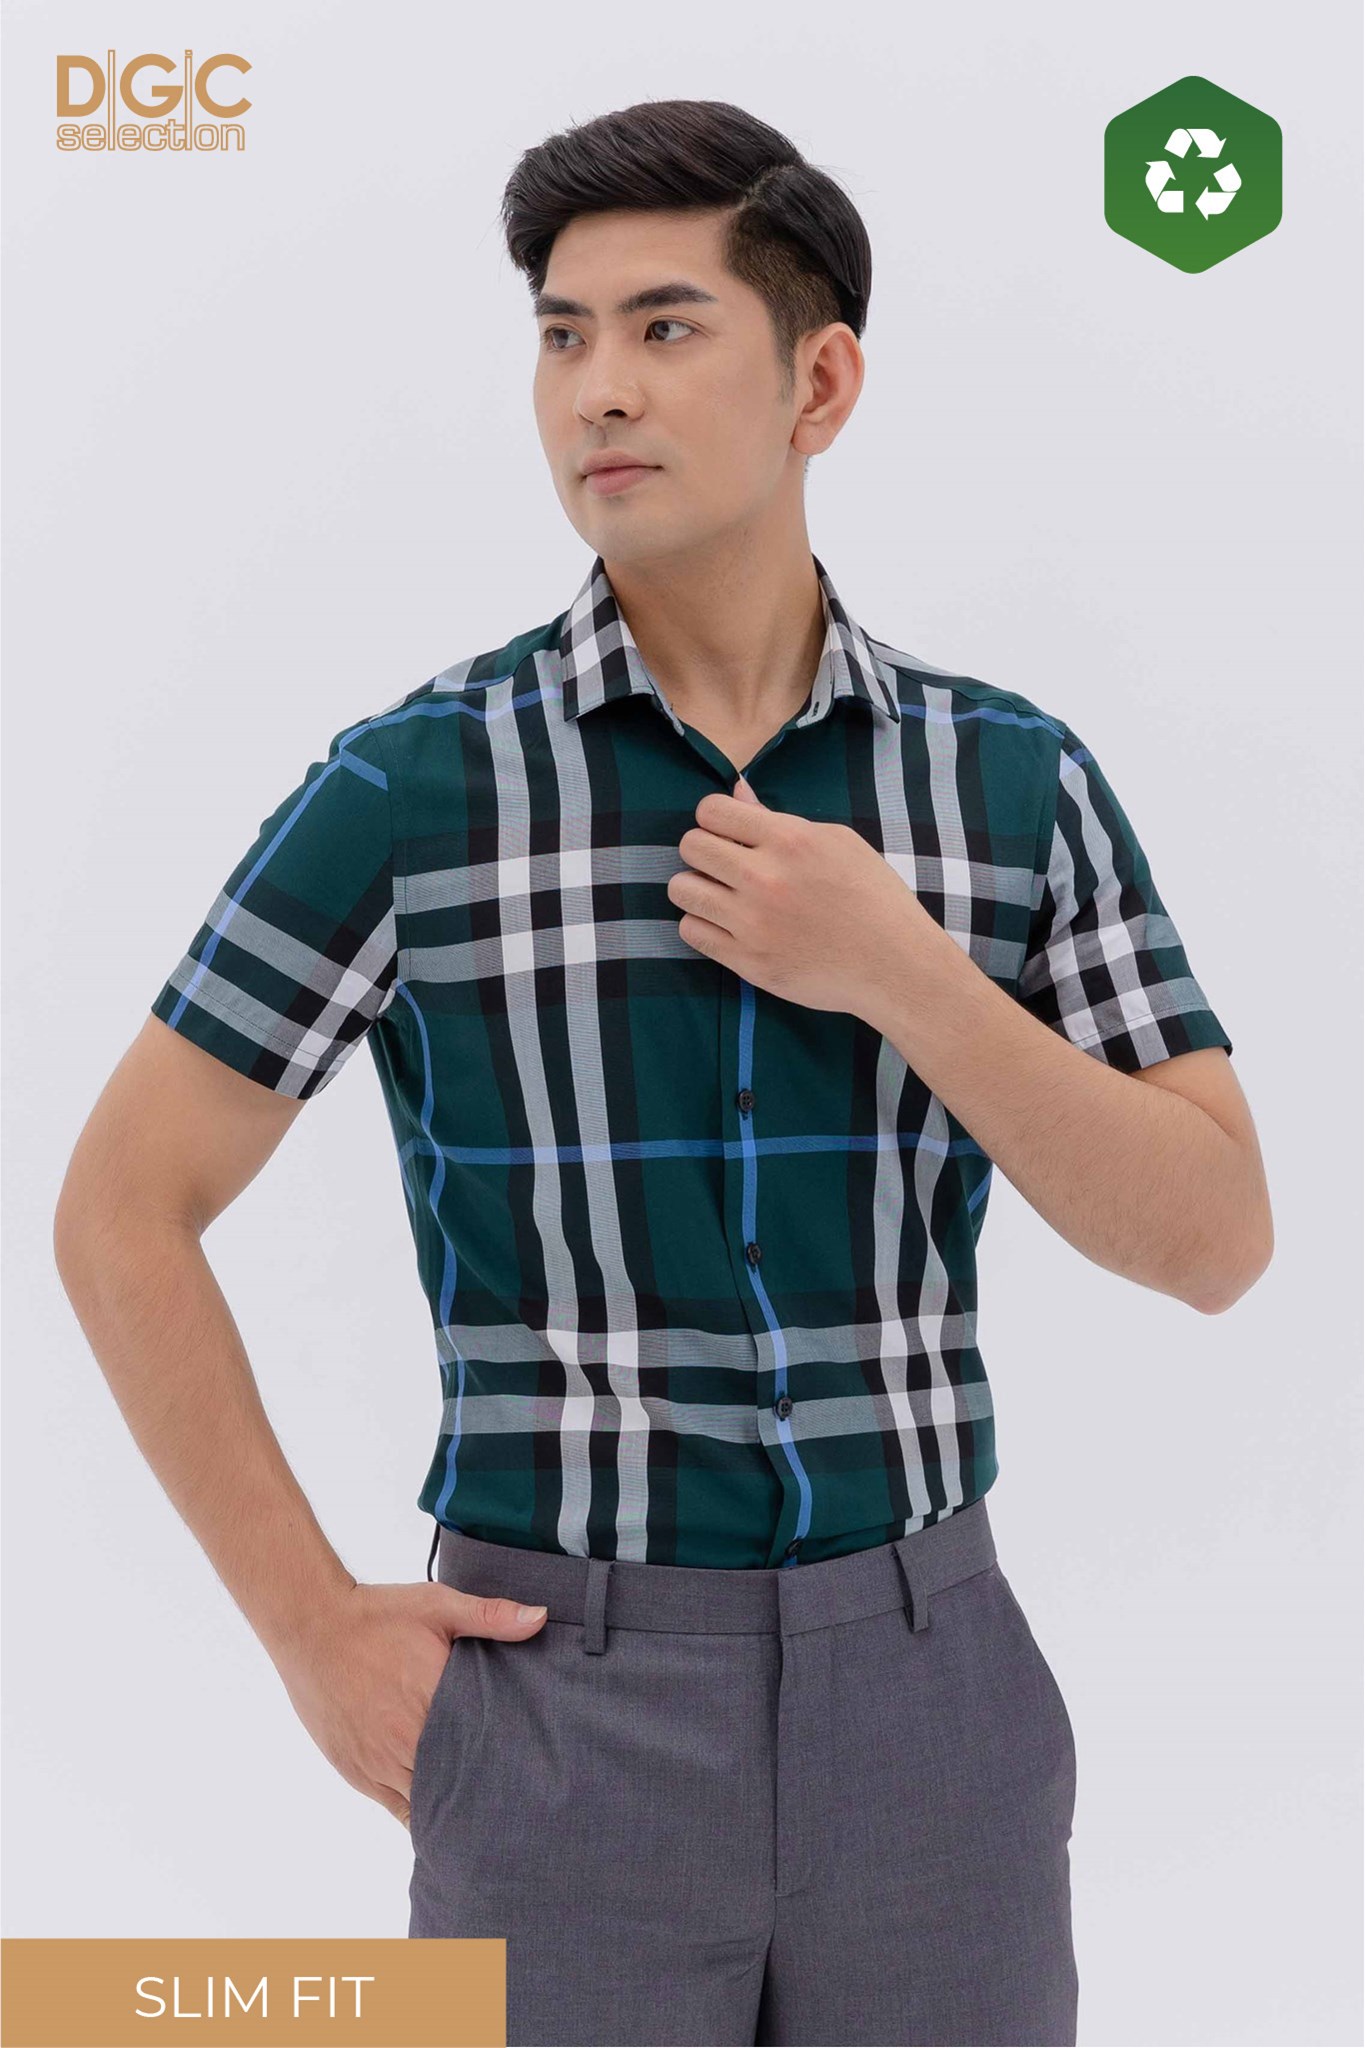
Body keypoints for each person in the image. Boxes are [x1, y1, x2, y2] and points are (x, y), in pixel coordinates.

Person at [53, 97, 1273, 2048]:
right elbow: (124, 1208)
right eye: (561, 334)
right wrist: (308, 1628)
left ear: (819, 383)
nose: (596, 389)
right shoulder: (417, 788)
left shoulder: (1007, 781)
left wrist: (902, 973)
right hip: (560, 1711)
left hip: (933, 1699)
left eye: (663, 326)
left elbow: (1213, 1239)